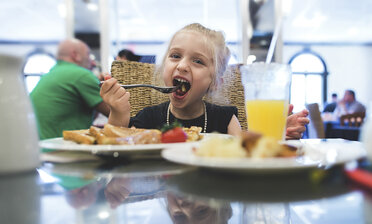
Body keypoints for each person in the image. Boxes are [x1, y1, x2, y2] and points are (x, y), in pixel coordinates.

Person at [100, 23, 308, 138]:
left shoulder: (225, 118)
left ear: (215, 82)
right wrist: (118, 113)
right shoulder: (148, 118)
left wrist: (275, 135)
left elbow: (244, 151)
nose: (181, 65)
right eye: (175, 56)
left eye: (198, 61)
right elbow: (118, 150)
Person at [30, 38, 110, 140]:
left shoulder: (50, 74)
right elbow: (120, 114)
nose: (93, 62)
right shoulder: (82, 75)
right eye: (88, 55)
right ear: (75, 55)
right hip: (62, 150)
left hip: (40, 148)